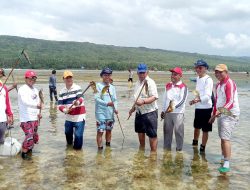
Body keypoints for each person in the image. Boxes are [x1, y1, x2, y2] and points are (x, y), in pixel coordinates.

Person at [209, 64, 240, 173]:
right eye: (216, 72)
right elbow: (216, 101)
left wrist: (218, 112)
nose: (218, 74)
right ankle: (223, 157)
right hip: (221, 113)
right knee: (222, 137)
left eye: (220, 72)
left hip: (230, 114)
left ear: (226, 72)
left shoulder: (229, 83)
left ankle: (226, 163)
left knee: (225, 138)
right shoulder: (218, 85)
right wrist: (213, 115)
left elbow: (230, 102)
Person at [129, 63, 158, 153]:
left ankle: (153, 155)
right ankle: (141, 153)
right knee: (140, 132)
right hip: (139, 112)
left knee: (152, 135)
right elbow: (136, 98)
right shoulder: (137, 83)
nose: (141, 75)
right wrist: (132, 109)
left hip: (150, 112)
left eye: (143, 73)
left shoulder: (150, 82)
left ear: (147, 72)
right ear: (137, 73)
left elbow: (154, 97)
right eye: (140, 73)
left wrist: (144, 101)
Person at [161, 67, 188, 151]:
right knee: (167, 132)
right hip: (167, 113)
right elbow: (165, 99)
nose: (172, 76)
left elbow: (182, 101)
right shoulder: (168, 85)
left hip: (178, 113)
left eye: (175, 74)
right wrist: (163, 110)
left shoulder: (183, 86)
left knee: (178, 132)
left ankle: (179, 150)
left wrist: (172, 108)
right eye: (172, 74)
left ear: (180, 76)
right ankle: (166, 150)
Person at [189, 60, 213, 153]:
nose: (198, 69)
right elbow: (198, 93)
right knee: (196, 127)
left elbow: (207, 96)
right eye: (196, 67)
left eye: (200, 67)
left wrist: (197, 100)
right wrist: (194, 101)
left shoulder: (208, 79)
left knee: (205, 130)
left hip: (207, 108)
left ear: (205, 68)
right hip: (198, 107)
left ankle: (202, 148)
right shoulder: (198, 78)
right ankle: (195, 143)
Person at [58, 70, 86, 150]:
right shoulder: (62, 91)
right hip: (68, 117)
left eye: (70, 77)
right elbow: (60, 105)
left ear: (72, 78)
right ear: (63, 79)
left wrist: (77, 102)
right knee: (67, 134)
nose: (69, 79)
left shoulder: (77, 88)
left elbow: (81, 98)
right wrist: (64, 110)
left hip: (79, 117)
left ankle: (77, 152)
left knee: (78, 136)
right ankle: (69, 150)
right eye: (67, 78)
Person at [18, 70, 42, 160]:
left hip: (34, 118)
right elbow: (25, 102)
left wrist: (38, 113)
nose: (33, 80)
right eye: (31, 78)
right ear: (26, 78)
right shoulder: (22, 89)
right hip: (25, 118)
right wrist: (36, 106)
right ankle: (23, 154)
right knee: (29, 136)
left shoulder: (35, 90)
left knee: (34, 136)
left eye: (34, 78)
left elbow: (38, 102)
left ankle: (29, 151)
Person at [94, 68, 118, 150]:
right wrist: (107, 103)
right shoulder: (98, 86)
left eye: (108, 75)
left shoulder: (112, 87)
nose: (107, 76)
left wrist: (116, 108)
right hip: (101, 114)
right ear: (102, 76)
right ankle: (100, 150)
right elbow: (97, 99)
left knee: (109, 131)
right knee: (100, 131)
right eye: (105, 75)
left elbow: (115, 100)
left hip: (110, 113)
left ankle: (108, 149)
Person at [0, 73, 13, 145]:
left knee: (1, 141)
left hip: (2, 119)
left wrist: (10, 115)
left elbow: (7, 103)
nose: (1, 75)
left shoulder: (4, 87)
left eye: (1, 74)